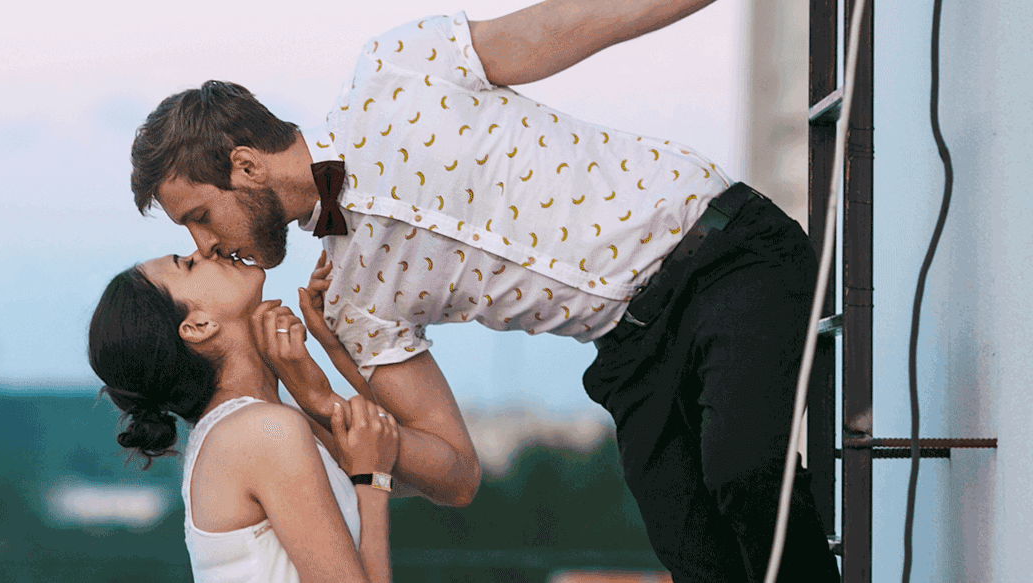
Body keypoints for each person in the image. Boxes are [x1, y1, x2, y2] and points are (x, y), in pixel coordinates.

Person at [123, 2, 841, 581]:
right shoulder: (346, 299)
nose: (205, 245)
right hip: (631, 352)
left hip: (717, 249)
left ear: (245, 165)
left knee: (745, 470)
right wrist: (319, 396)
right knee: (694, 549)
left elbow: (573, 22)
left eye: (198, 217)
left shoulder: (397, 68)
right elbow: (454, 470)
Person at [88, 251, 479, 582]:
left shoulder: (260, 425)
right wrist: (370, 483)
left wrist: (333, 346)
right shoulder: (260, 433)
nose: (206, 249)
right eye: (187, 264)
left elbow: (428, 472)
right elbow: (381, 468)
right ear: (198, 326)